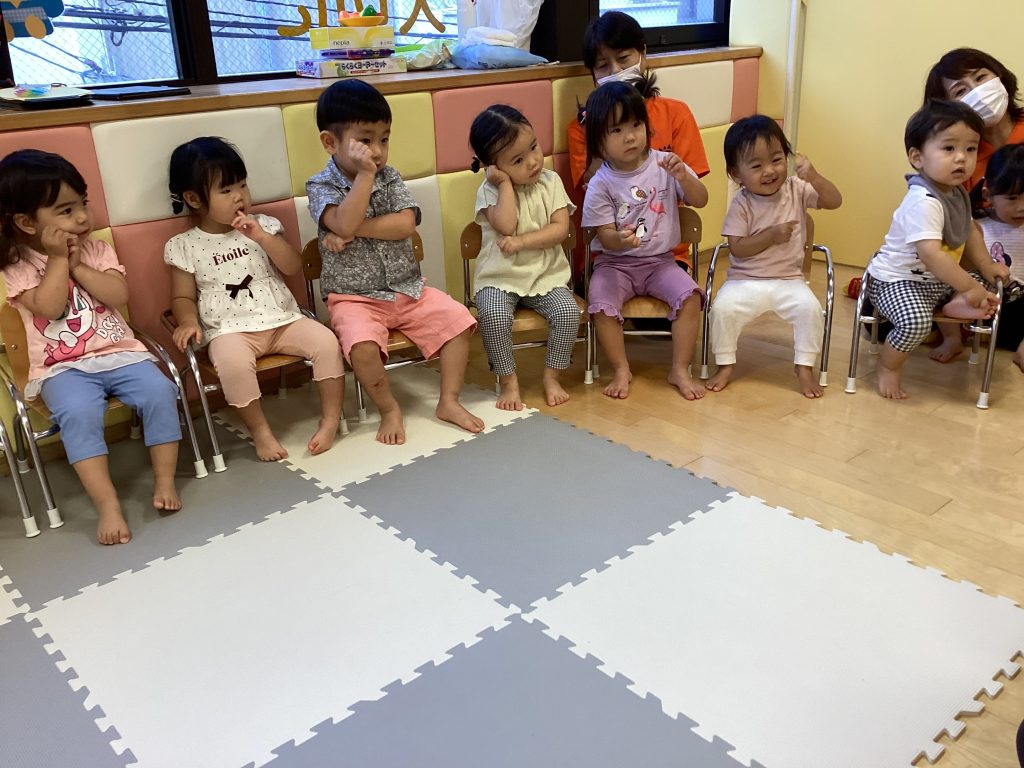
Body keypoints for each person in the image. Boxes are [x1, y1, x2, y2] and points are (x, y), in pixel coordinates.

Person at [0, 150, 182, 545]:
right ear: (27, 223)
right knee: (79, 413)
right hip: (61, 368)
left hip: (121, 352)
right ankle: (107, 505)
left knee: (161, 390)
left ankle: (165, 480)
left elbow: (118, 295)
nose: (83, 217)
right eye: (66, 211)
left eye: (83, 203)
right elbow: (50, 308)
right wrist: (57, 260)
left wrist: (79, 265)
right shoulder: (18, 266)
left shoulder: (97, 250)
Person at [306, 79, 483, 445]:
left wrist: (354, 230)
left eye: (384, 139)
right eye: (365, 140)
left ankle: (449, 401)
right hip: (354, 297)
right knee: (361, 349)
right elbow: (342, 221)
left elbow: (404, 225)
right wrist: (364, 179)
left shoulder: (391, 177)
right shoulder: (321, 186)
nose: (377, 151)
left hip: (408, 288)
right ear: (330, 142)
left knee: (459, 321)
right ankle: (389, 409)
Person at [165, 137, 345, 461]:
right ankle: (260, 431)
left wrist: (262, 237)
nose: (240, 196)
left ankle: (330, 420)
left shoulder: (263, 225)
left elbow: (292, 267)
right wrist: (188, 321)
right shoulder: (184, 245)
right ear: (193, 199)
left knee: (327, 342)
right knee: (232, 365)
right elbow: (181, 295)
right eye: (226, 190)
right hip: (230, 331)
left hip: (283, 319)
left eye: (243, 185)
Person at [865, 100, 1008, 399]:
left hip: (933, 281)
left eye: (970, 149)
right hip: (896, 281)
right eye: (949, 148)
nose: (962, 158)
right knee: (915, 323)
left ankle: (952, 317)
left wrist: (985, 267)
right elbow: (932, 255)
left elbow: (969, 230)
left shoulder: (955, 193)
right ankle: (889, 367)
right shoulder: (924, 201)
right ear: (917, 157)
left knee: (988, 289)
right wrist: (968, 288)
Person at [580, 81, 708, 400]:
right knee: (600, 304)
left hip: (661, 263)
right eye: (617, 130)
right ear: (598, 142)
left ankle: (680, 369)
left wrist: (683, 176)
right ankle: (621, 368)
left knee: (691, 298)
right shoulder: (600, 183)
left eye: (636, 125)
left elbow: (701, 200)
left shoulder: (665, 163)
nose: (630, 136)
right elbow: (604, 236)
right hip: (614, 265)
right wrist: (620, 240)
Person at [706, 115, 842, 398]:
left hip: (789, 280)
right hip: (745, 280)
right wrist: (770, 235)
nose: (769, 171)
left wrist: (814, 177)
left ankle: (804, 368)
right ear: (736, 174)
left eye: (777, 159)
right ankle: (725, 364)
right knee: (722, 310)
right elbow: (737, 248)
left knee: (810, 310)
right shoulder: (741, 203)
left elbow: (834, 201)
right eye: (756, 166)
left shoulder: (797, 189)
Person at [567, 10, 708, 272]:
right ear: (593, 74)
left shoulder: (675, 113)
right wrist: (597, 132)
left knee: (676, 297)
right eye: (603, 65)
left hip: (667, 253)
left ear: (643, 54)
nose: (616, 71)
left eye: (623, 59)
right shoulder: (580, 128)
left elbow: (694, 192)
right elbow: (593, 187)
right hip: (608, 256)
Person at [469, 104, 581, 410]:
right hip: (499, 278)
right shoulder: (490, 190)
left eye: (533, 147)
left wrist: (522, 242)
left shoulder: (550, 181)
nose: (533, 161)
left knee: (568, 313)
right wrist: (504, 184)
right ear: (494, 167)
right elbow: (506, 225)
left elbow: (560, 229)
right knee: (493, 316)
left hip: (545, 275)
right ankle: (509, 382)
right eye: (517, 160)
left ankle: (552, 377)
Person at [924, 48, 1024, 198]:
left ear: (1000, 76)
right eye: (960, 91)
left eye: (980, 77)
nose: (977, 92)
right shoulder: (957, 158)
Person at [974, 142, 1024, 370]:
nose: (1021, 207)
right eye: (1012, 198)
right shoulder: (977, 227)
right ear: (989, 194)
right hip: (992, 305)